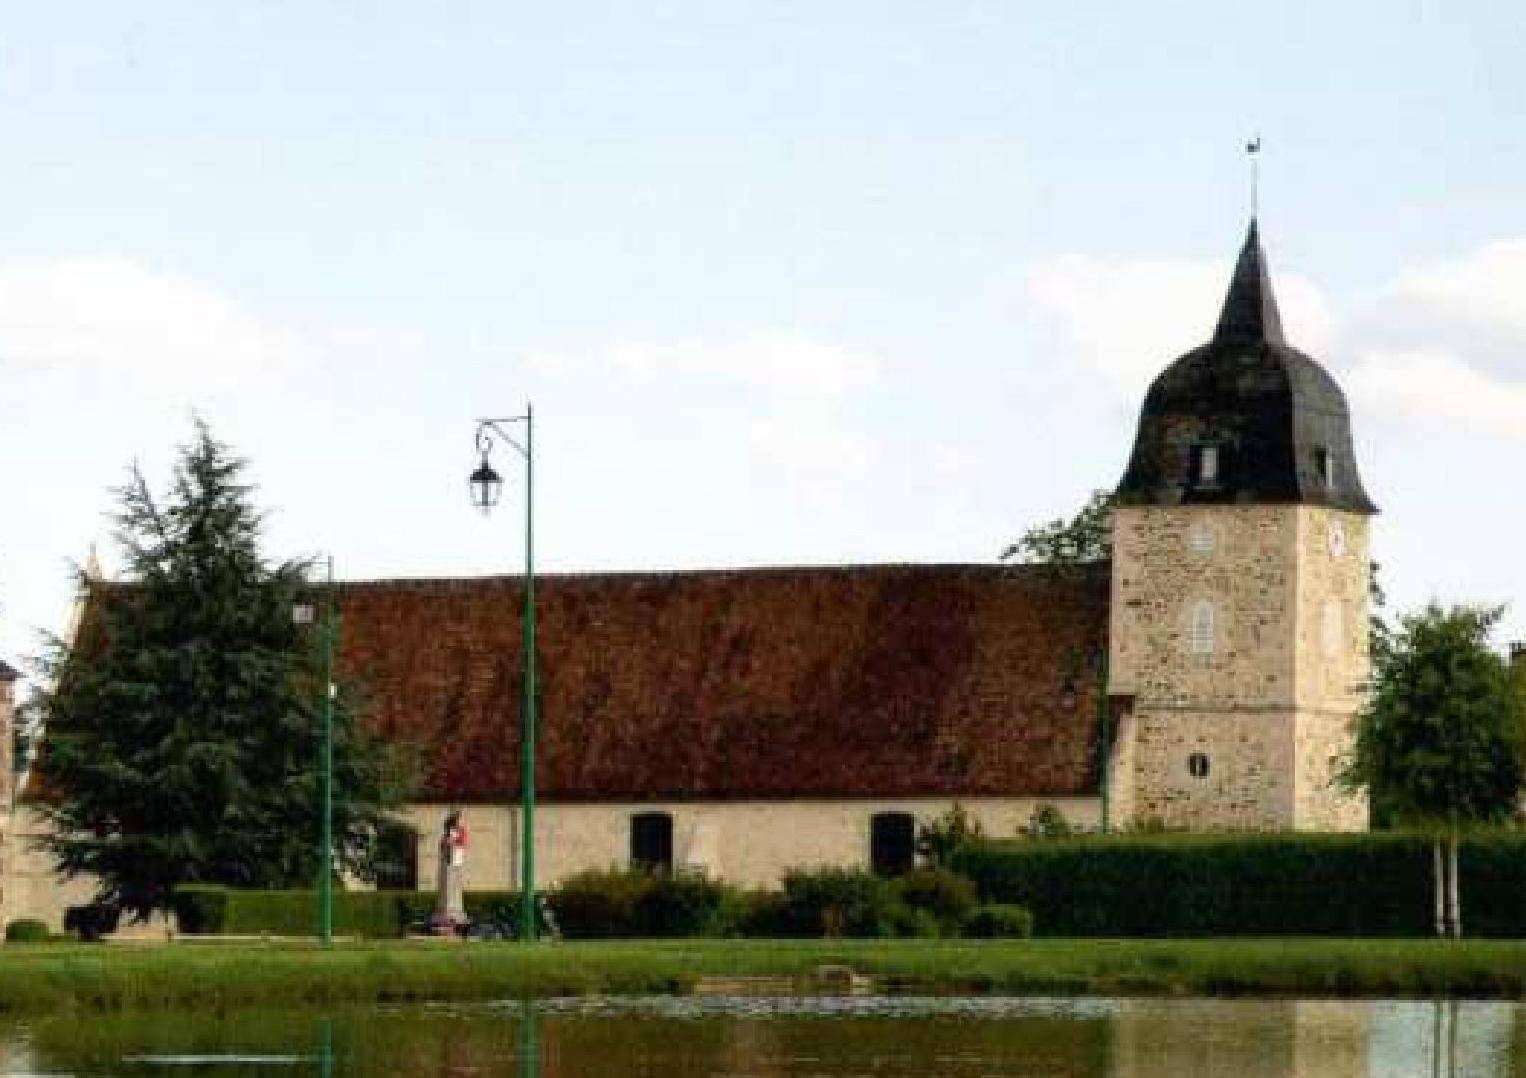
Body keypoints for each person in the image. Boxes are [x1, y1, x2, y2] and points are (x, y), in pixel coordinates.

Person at [434, 808, 468, 932]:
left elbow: (462, 842)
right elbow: (444, 845)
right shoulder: (447, 835)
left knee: (454, 886)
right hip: (448, 862)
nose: (460, 822)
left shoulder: (460, 833)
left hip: (455, 860)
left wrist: (454, 843)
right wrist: (448, 843)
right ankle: (446, 916)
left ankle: (454, 914)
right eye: (458, 820)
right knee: (448, 887)